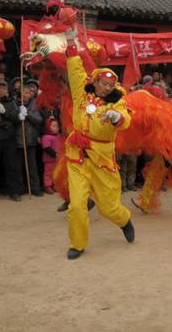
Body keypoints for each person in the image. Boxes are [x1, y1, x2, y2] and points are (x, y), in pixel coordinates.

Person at [63, 32, 134, 260]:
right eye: (102, 83)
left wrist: (115, 116)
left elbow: (125, 119)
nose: (105, 87)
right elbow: (75, 72)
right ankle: (78, 244)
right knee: (76, 205)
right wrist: (72, 43)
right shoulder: (81, 96)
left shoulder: (118, 102)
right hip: (77, 155)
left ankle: (124, 220)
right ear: (95, 82)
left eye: (109, 85)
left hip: (101, 159)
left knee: (108, 208)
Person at [15, 82, 43, 197]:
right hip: (18, 139)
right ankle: (20, 188)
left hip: (30, 139)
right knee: (18, 166)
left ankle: (35, 187)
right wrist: (18, 115)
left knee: (32, 166)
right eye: (25, 93)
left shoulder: (34, 104)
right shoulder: (14, 103)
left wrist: (28, 114)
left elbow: (39, 119)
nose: (27, 95)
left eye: (29, 93)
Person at [41, 117, 61, 194]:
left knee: (56, 173)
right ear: (48, 127)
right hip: (49, 160)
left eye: (57, 126)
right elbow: (47, 148)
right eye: (53, 126)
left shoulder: (58, 135)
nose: (56, 128)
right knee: (48, 173)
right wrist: (55, 154)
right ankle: (47, 186)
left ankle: (54, 185)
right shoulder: (46, 137)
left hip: (58, 159)